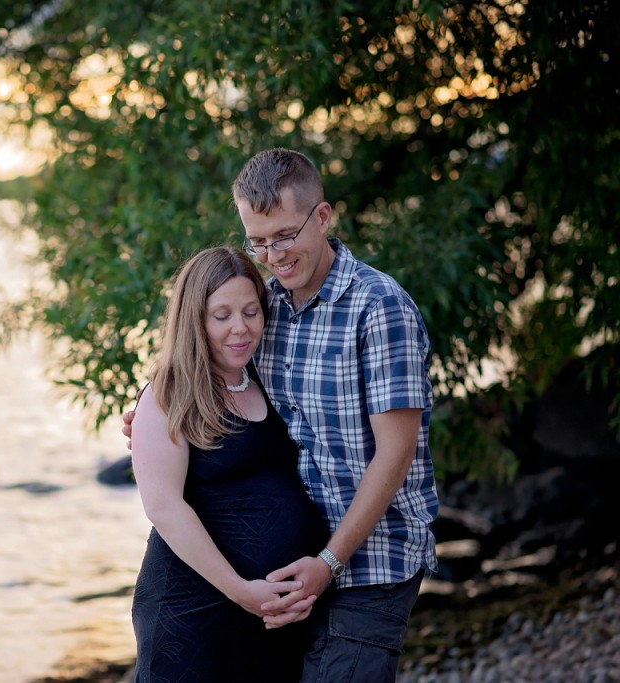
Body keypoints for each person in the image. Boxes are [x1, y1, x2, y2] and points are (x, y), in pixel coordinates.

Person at [124, 148, 438, 682]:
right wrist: (150, 412)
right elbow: (211, 373)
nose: (273, 254)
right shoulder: (267, 305)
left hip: (367, 564)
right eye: (258, 240)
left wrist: (329, 562)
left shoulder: (378, 307)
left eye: (285, 235)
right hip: (291, 579)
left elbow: (396, 452)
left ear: (322, 217)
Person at [129, 246, 329, 682]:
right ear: (194, 319)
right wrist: (242, 592)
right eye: (222, 316)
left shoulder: (268, 380)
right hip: (194, 610)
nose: (240, 328)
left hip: (267, 615)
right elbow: (163, 507)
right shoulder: (170, 394)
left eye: (251, 312)